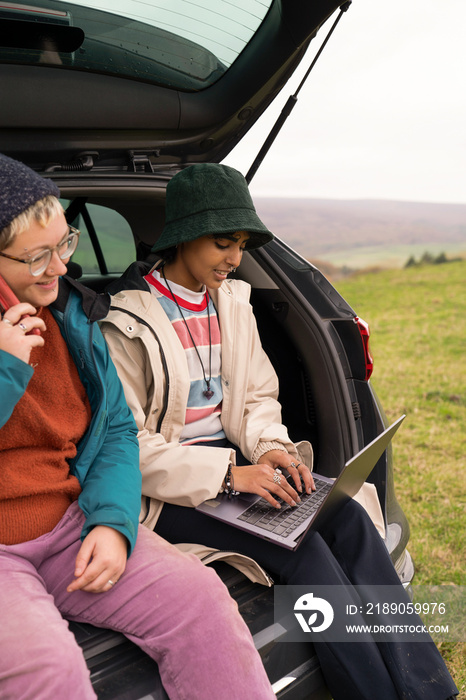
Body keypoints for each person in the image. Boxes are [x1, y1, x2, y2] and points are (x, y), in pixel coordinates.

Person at [101, 163, 458, 700]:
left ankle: (429, 690)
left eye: (241, 244)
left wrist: (272, 450)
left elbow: (256, 400)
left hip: (240, 473)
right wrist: (231, 474)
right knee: (304, 552)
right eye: (223, 243)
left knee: (353, 522)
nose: (235, 258)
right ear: (182, 236)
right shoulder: (123, 323)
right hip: (172, 494)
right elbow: (131, 447)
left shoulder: (234, 305)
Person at [0, 154, 276, 700]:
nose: (59, 268)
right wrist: (6, 369)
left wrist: (112, 522)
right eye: (37, 257)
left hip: (68, 526)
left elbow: (116, 434)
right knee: (50, 672)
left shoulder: (73, 318)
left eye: (65, 245)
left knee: (202, 600)